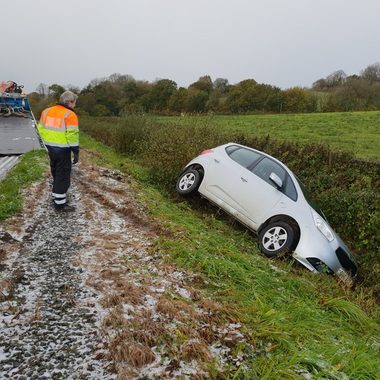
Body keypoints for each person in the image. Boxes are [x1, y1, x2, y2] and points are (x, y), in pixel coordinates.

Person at [37, 91, 79, 212]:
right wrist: (75, 151)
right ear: (70, 102)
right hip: (62, 149)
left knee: (55, 171)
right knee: (63, 175)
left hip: (50, 148)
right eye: (75, 102)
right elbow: (72, 135)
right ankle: (60, 204)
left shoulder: (46, 111)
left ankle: (56, 196)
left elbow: (40, 129)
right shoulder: (70, 115)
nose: (75, 105)